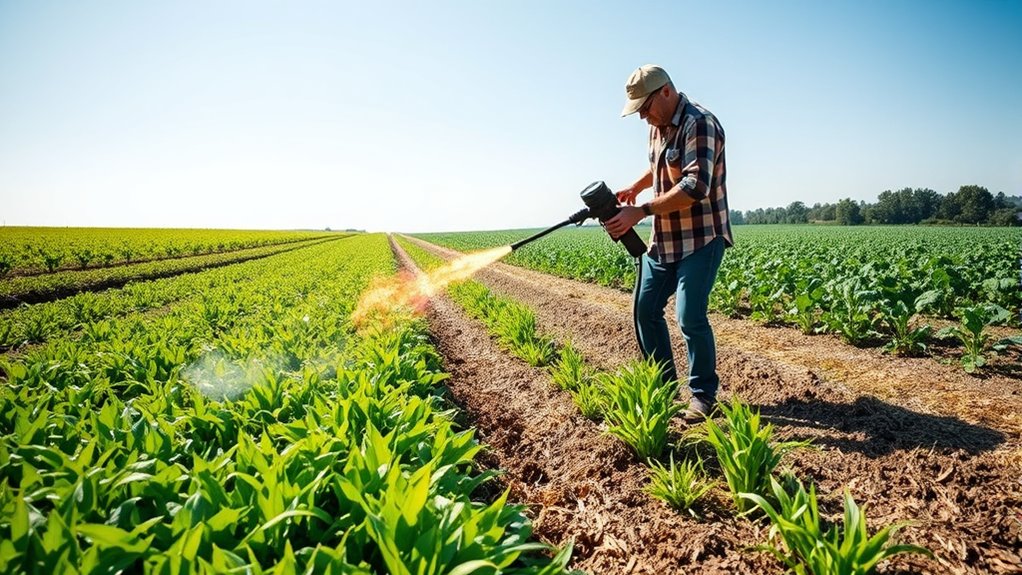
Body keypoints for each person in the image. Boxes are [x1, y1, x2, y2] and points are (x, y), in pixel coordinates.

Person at [604, 64, 733, 422]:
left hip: (701, 236)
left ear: (665, 91)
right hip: (665, 239)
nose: (644, 117)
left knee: (690, 316)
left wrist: (641, 210)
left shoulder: (701, 123)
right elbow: (660, 163)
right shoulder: (658, 126)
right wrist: (637, 187)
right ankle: (663, 389)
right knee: (644, 309)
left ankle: (703, 395)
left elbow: (694, 186)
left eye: (645, 108)